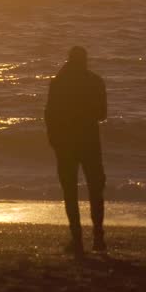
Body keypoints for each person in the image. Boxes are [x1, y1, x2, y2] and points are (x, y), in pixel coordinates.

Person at [44, 45, 107, 256]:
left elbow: (49, 115)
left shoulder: (58, 82)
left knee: (70, 191)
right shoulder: (96, 81)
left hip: (65, 144)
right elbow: (102, 114)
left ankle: (77, 239)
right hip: (90, 142)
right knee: (95, 189)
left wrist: (53, 140)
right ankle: (98, 237)